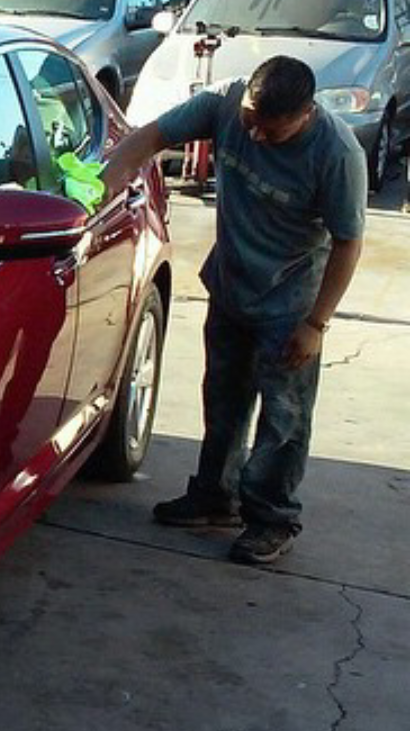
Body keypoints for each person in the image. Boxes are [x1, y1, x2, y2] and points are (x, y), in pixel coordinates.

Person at [101, 55, 366, 567]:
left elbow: (348, 244)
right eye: (250, 121)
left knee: (283, 419)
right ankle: (214, 496)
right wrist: (104, 182)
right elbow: (148, 138)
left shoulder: (337, 154)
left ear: (305, 114)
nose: (255, 136)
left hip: (290, 306)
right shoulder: (225, 101)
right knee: (223, 398)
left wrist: (316, 324)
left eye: (272, 130)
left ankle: (271, 518)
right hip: (230, 286)